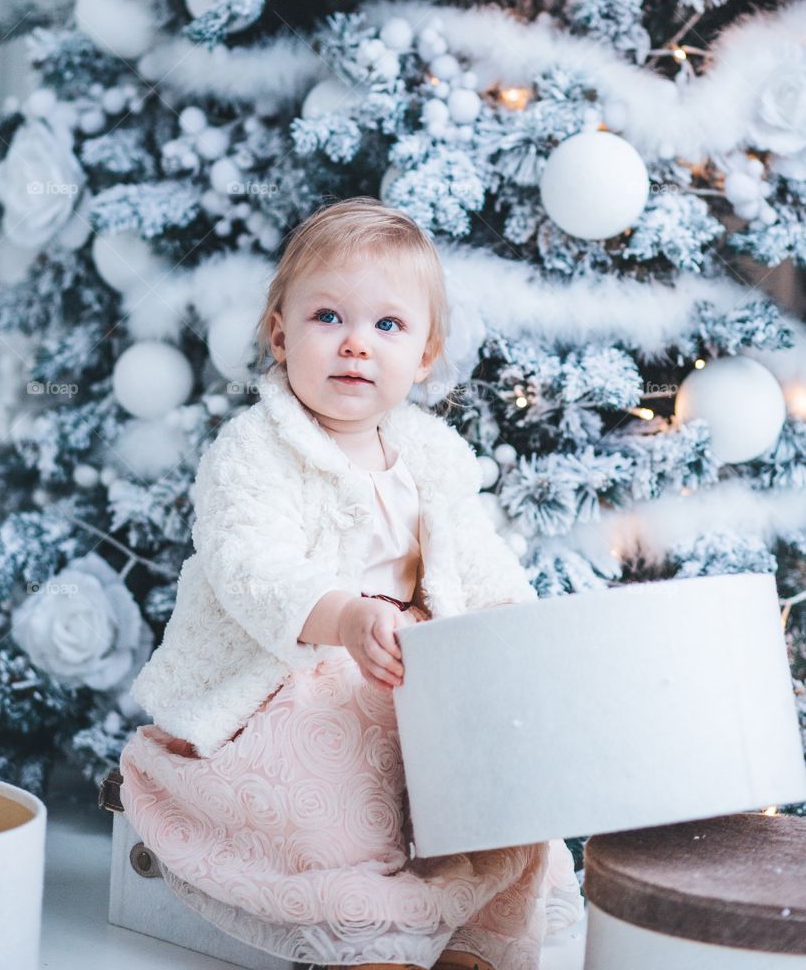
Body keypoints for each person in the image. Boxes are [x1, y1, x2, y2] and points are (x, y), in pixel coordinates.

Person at [119, 197, 584, 970]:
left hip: (417, 679)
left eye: (387, 327)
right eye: (328, 317)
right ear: (279, 333)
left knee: (501, 791)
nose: (355, 347)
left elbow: (482, 567)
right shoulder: (252, 450)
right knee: (338, 784)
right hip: (288, 677)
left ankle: (468, 940)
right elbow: (249, 564)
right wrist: (340, 618)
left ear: (426, 355)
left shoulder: (432, 457)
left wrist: (513, 644)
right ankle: (373, 938)